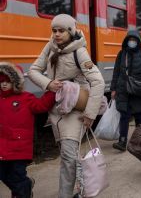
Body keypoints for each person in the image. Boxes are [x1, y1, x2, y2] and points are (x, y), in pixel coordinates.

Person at [28, 14, 105, 198]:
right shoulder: (50, 46)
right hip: (56, 109)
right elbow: (33, 70)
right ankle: (81, 188)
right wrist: (48, 84)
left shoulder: (79, 51)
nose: (56, 34)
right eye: (54, 30)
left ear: (70, 31)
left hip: (74, 109)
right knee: (67, 157)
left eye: (61, 30)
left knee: (69, 156)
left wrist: (90, 114)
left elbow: (99, 82)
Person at [0, 62, 55, 198]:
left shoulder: (26, 98)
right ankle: (26, 185)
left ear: (16, 82)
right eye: (1, 81)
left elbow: (41, 105)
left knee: (17, 177)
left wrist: (52, 91)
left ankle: (22, 193)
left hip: (19, 147)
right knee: (4, 175)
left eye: (8, 81)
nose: (4, 84)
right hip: (2, 147)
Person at [110, 29, 141, 151]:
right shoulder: (122, 54)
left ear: (138, 41)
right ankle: (122, 141)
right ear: (126, 41)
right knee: (124, 115)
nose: (132, 42)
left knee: (139, 116)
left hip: (138, 91)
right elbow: (116, 72)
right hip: (123, 90)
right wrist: (113, 89)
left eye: (134, 40)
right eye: (130, 40)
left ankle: (139, 141)